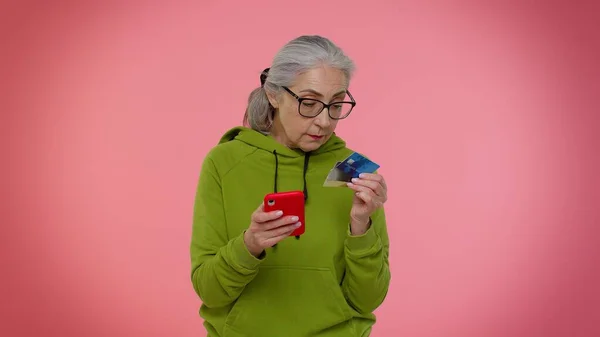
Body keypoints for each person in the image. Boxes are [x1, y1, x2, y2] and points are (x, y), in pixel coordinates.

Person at [190, 35, 391, 337]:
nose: (325, 121)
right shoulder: (225, 162)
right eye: (309, 103)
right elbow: (210, 291)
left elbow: (368, 299)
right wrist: (250, 244)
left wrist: (361, 227)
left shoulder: (354, 173)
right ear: (273, 94)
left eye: (336, 105)